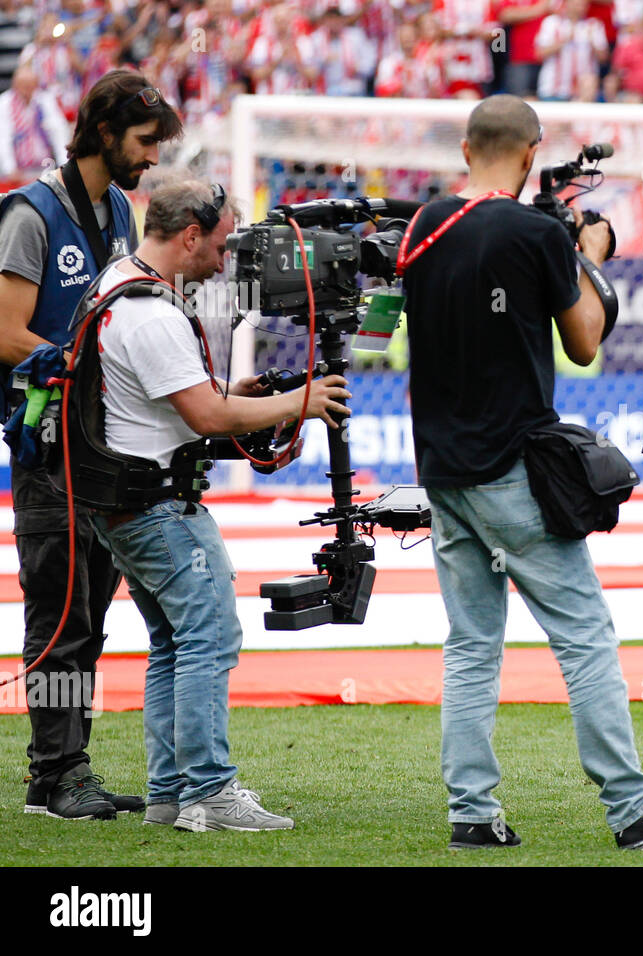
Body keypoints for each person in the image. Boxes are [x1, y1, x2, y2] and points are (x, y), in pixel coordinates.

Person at [402, 94, 643, 851]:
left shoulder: (424, 223)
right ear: (532, 151)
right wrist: (590, 258)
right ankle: (633, 805)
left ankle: (472, 812)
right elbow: (583, 340)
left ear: (465, 148)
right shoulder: (534, 230)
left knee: (472, 644)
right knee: (583, 634)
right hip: (511, 465)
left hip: (442, 466)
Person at [87, 180, 352, 831]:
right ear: (189, 235)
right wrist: (301, 400)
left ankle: (170, 794)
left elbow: (174, 396)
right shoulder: (151, 312)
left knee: (175, 643)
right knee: (207, 635)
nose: (225, 255)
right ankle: (210, 790)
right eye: (221, 239)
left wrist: (236, 390)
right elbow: (206, 415)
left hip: (122, 500)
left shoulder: (117, 282)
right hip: (158, 505)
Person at [0, 70, 181, 821]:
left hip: (102, 445)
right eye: (144, 142)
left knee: (92, 613)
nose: (153, 157)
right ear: (103, 132)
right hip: (47, 446)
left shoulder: (116, 210)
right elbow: (6, 332)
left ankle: (64, 770)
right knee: (59, 613)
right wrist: (76, 363)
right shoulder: (30, 213)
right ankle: (56, 772)